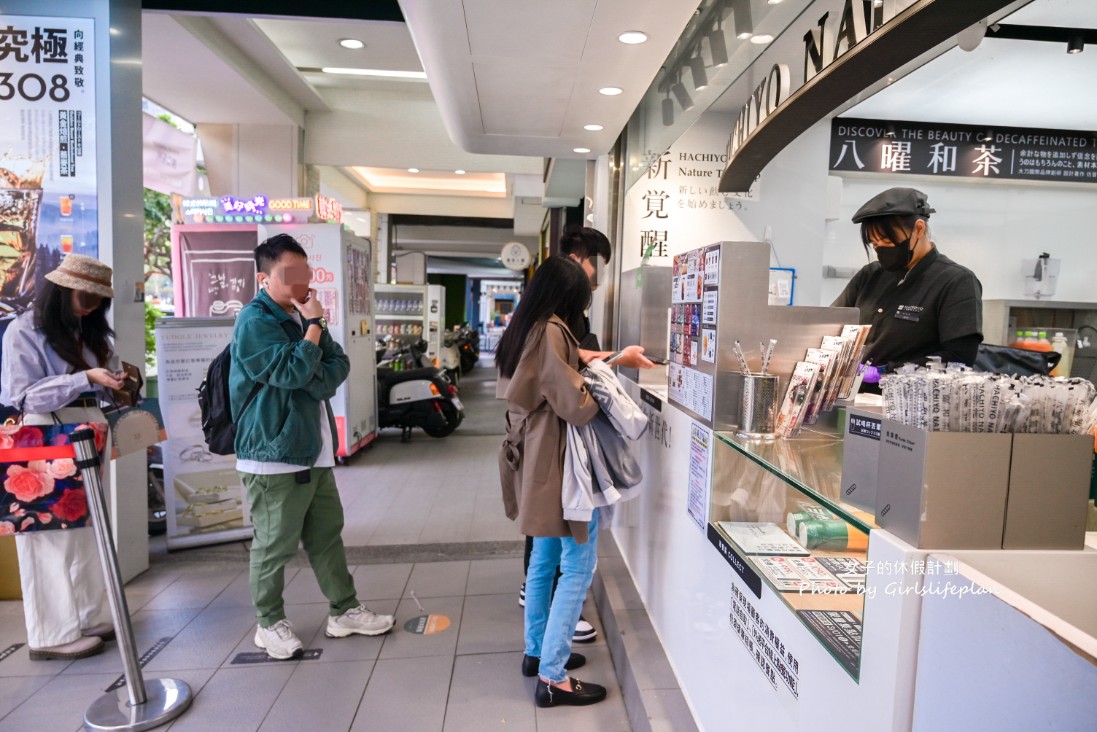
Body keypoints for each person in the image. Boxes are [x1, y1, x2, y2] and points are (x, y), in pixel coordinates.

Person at [231, 234, 393, 660]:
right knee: (274, 545)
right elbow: (291, 373)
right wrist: (315, 327)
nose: (302, 283)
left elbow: (337, 365)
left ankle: (344, 611)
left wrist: (312, 340)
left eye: (305, 272)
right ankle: (268, 623)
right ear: (264, 277)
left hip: (312, 449)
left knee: (326, 536)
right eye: (291, 275)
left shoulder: (299, 317)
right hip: (273, 454)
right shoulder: (255, 322)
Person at [497, 256, 607, 707]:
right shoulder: (554, 330)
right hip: (557, 463)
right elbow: (575, 405)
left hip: (535, 459)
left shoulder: (527, 326)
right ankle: (553, 676)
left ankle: (537, 651)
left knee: (543, 559)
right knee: (579, 565)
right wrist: (600, 387)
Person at [0, 254, 121, 660]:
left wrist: (118, 382)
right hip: (44, 435)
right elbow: (23, 394)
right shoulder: (25, 330)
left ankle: (85, 617)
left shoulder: (90, 331)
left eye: (97, 299)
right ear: (61, 291)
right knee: (47, 534)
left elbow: (103, 379)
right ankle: (51, 633)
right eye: (84, 296)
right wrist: (84, 378)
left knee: (86, 531)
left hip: (86, 432)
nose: (90, 305)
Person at [832, 187, 983, 383]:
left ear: (918, 229)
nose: (881, 249)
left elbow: (959, 358)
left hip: (909, 402)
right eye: (875, 244)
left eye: (887, 240)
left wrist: (886, 373)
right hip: (853, 395)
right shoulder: (869, 275)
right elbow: (831, 324)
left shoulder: (956, 281)